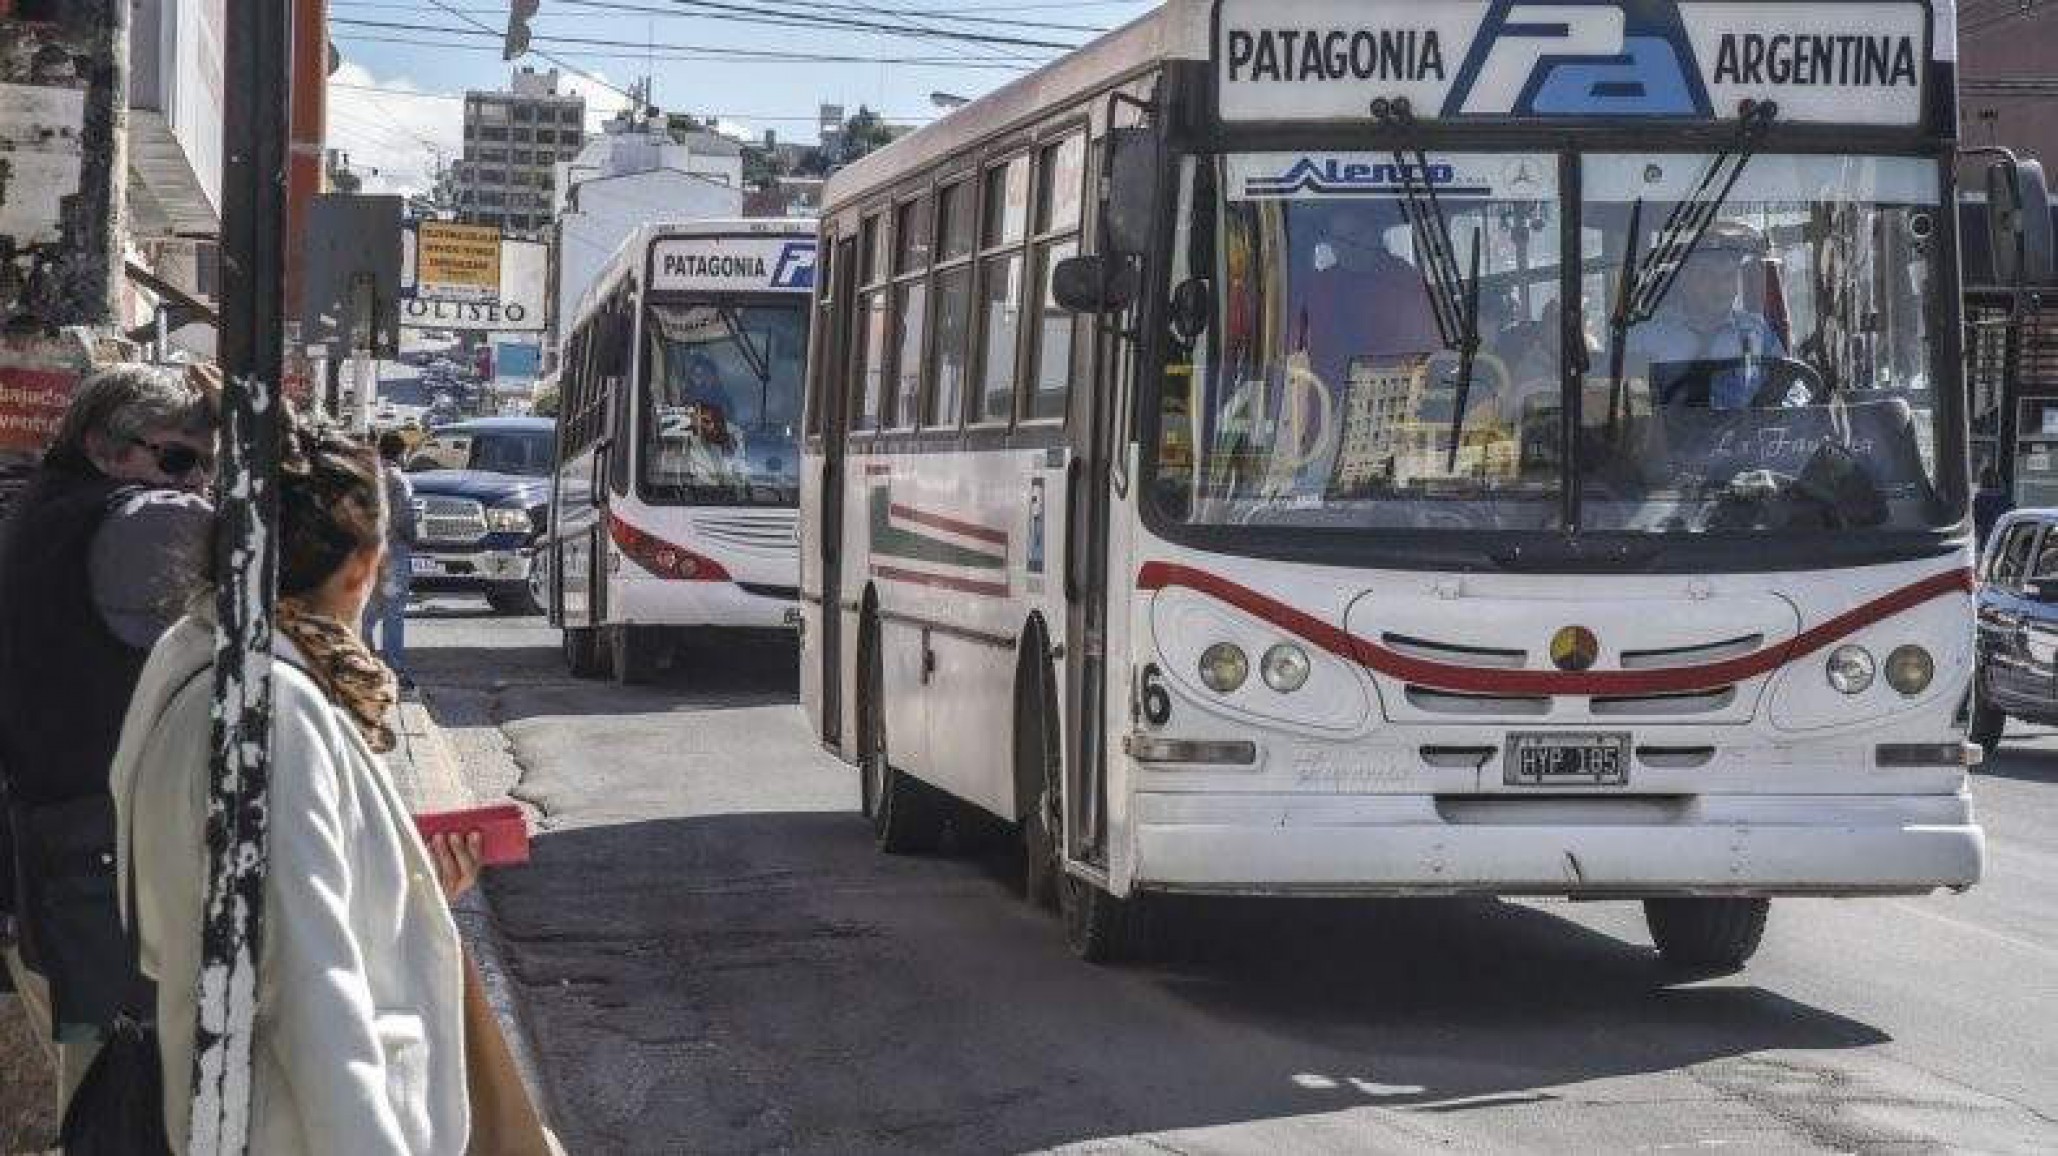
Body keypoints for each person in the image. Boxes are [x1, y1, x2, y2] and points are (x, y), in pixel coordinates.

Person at [111, 424, 483, 1155]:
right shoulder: (278, 711)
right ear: (362, 567)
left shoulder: (193, 650)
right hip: (295, 1128)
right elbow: (316, 988)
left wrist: (400, 890)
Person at [0, 362, 218, 1110]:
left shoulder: (52, 506)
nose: (193, 482)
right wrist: (279, 447)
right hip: (103, 862)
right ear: (105, 446)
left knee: (101, 1087)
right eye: (179, 457)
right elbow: (299, 553)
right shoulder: (139, 521)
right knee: (128, 1097)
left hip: (63, 850)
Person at [1630, 219, 1792, 410]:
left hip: (1742, 437)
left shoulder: (1758, 333)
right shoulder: (1647, 336)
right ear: (1684, 278)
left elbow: (1791, 392)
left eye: (1728, 277)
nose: (1720, 288)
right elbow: (1626, 403)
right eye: (1707, 276)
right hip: (1670, 437)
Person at [363, 430, 418, 685]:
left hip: (368, 551)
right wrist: (413, 540)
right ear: (400, 452)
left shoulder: (369, 476)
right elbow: (405, 517)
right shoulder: (399, 480)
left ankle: (364, 658)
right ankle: (394, 668)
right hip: (394, 550)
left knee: (370, 610)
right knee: (394, 612)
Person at [1975, 466, 2013, 546]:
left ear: (1982, 481)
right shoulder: (2006, 497)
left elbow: (1976, 520)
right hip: (2003, 535)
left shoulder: (1979, 498)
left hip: (1986, 537)